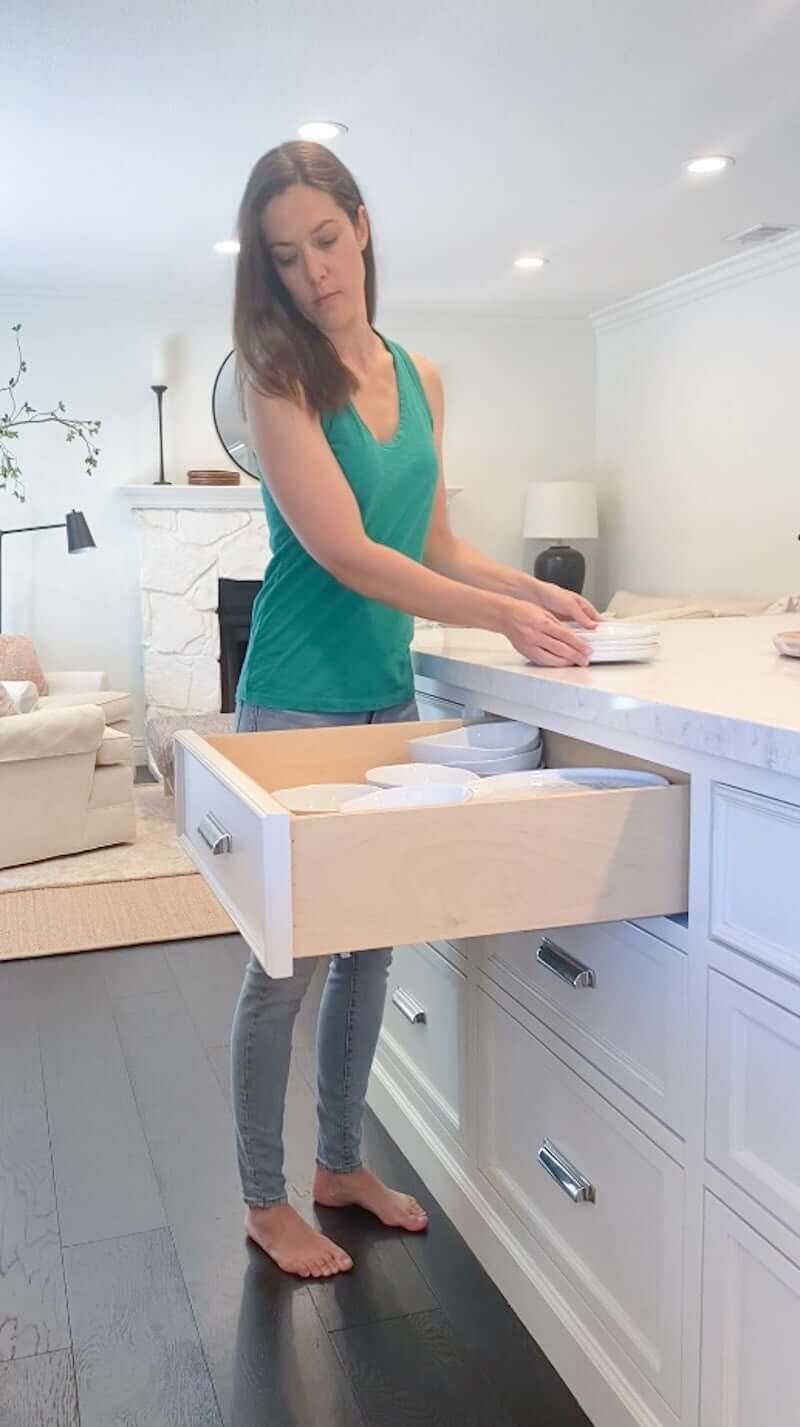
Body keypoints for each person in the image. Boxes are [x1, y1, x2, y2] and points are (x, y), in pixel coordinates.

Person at [230, 140, 599, 1280]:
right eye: (286, 257)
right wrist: (489, 620)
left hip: (386, 695)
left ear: (361, 225)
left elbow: (431, 543)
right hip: (293, 700)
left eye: (326, 241)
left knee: (370, 949)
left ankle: (340, 1163)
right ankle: (263, 1195)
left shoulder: (421, 375)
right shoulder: (275, 374)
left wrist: (533, 589)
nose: (313, 273)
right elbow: (343, 551)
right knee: (282, 961)